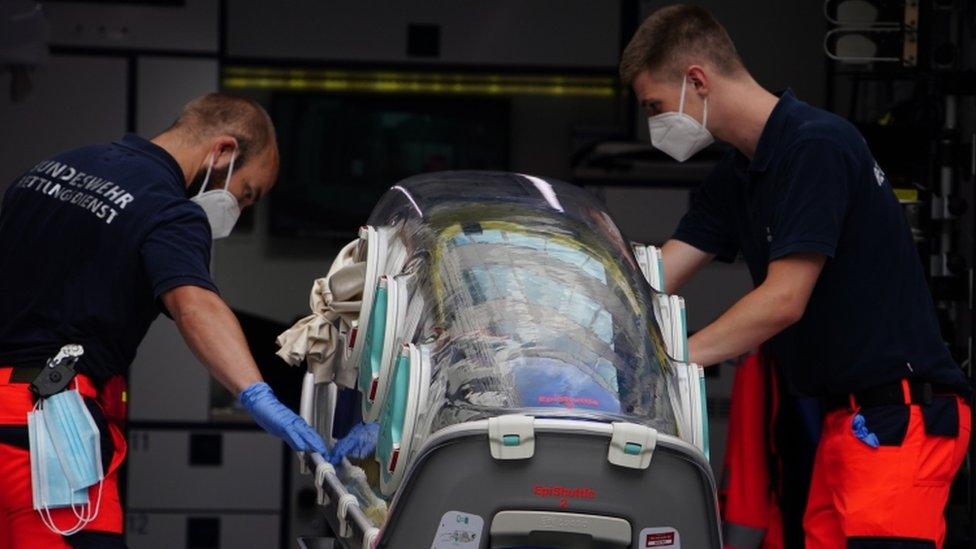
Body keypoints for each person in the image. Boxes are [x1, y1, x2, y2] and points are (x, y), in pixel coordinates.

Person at [620, 6, 971, 548]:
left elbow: (784, 300)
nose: (654, 124)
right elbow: (661, 272)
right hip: (846, 423)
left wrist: (668, 360)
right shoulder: (741, 170)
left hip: (899, 419)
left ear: (697, 80)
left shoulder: (815, 147)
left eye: (655, 106)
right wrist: (586, 316)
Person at [0, 93, 328, 548]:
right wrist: (257, 395)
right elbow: (195, 304)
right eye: (246, 194)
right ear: (224, 152)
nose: (240, 209)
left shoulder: (54, 167)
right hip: (43, 428)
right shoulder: (168, 209)